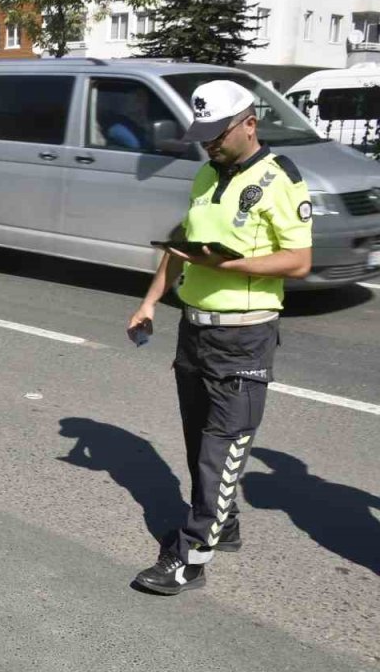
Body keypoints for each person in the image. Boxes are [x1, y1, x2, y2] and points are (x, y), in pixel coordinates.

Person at [126, 80, 312, 595]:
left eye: (217, 133)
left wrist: (230, 264)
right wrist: (149, 301)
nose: (208, 143)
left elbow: (298, 261)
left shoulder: (280, 180)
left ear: (249, 124)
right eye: (203, 134)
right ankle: (219, 522)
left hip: (244, 338)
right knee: (196, 442)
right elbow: (182, 244)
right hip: (195, 332)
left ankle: (191, 558)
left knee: (220, 451)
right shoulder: (206, 174)